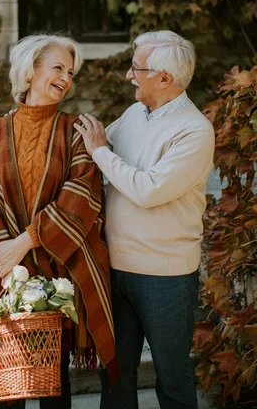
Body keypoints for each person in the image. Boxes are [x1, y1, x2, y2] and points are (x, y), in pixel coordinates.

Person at [0, 33, 117, 409]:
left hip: (58, 268)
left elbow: (83, 196)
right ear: (30, 70)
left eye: (71, 72)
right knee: (7, 379)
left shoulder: (76, 131)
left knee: (55, 383)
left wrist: (28, 241)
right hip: (7, 269)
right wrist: (9, 256)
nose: (66, 78)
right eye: (57, 68)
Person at [73, 30, 215, 409]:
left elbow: (148, 189)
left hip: (165, 277)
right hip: (114, 269)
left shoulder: (195, 131)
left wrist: (101, 151)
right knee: (116, 375)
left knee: (172, 379)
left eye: (136, 68)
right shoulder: (137, 113)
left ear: (164, 78)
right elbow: (93, 148)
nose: (128, 75)